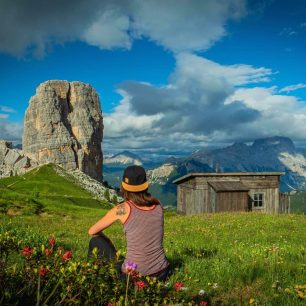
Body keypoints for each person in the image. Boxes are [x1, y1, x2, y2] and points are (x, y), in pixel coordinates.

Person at [88, 165, 171, 281]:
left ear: (124, 187)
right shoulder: (158, 204)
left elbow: (92, 231)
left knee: (95, 241)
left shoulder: (123, 209)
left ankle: (92, 278)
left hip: (134, 276)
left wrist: (106, 239)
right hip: (163, 272)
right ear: (145, 185)